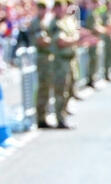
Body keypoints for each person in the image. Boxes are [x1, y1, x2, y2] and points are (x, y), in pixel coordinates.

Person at [49, 0, 79, 129]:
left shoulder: (67, 21)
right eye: (59, 8)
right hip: (60, 61)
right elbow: (61, 41)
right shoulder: (55, 23)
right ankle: (60, 119)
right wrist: (75, 40)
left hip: (69, 59)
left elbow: (75, 31)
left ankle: (64, 114)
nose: (62, 10)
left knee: (69, 88)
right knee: (61, 91)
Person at [28, 0, 53, 128]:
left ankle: (44, 115)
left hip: (46, 57)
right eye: (40, 8)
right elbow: (41, 40)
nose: (42, 11)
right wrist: (55, 42)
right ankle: (41, 118)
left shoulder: (45, 21)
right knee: (43, 87)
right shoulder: (37, 23)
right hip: (41, 58)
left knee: (47, 87)